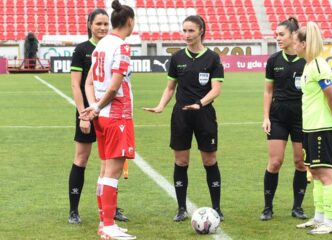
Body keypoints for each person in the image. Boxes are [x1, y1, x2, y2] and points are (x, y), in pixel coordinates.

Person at [143, 15, 225, 222]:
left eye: (191, 31)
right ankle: (181, 209)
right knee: (181, 161)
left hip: (204, 114)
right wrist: (161, 105)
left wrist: (200, 103)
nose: (187, 35)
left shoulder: (213, 58)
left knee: (210, 160)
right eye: (184, 31)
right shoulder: (177, 58)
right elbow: (170, 87)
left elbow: (216, 90)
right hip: (181, 115)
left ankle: (216, 208)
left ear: (201, 31)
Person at [79, 1, 136, 238]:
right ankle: (109, 226)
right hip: (117, 116)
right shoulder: (122, 46)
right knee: (112, 173)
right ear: (130, 22)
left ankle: (104, 222)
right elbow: (114, 86)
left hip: (102, 118)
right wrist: (99, 105)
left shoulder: (100, 45)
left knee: (104, 172)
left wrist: (94, 107)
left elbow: (89, 82)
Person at [68, 8, 128, 225]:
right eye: (98, 24)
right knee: (81, 158)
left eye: (105, 24)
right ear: (89, 25)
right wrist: (84, 113)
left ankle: (109, 208)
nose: (102, 28)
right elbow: (77, 84)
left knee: (109, 163)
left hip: (108, 112)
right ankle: (74, 210)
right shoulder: (83, 50)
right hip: (88, 110)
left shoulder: (111, 46)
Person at [293, 22, 332, 234]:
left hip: (321, 128)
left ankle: (330, 222)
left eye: (297, 42)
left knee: (325, 174)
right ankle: (318, 218)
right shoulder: (308, 65)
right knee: (314, 173)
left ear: (304, 44)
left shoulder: (319, 66)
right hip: (310, 127)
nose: (294, 46)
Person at [260, 17, 309, 221]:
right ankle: (267, 208)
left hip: (301, 118)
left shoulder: (307, 61)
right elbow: (268, 91)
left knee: (300, 163)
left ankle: (297, 207)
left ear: (293, 36)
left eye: (282, 35)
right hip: (277, 117)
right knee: (275, 162)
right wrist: (265, 117)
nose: (277, 38)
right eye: (276, 35)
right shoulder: (273, 60)